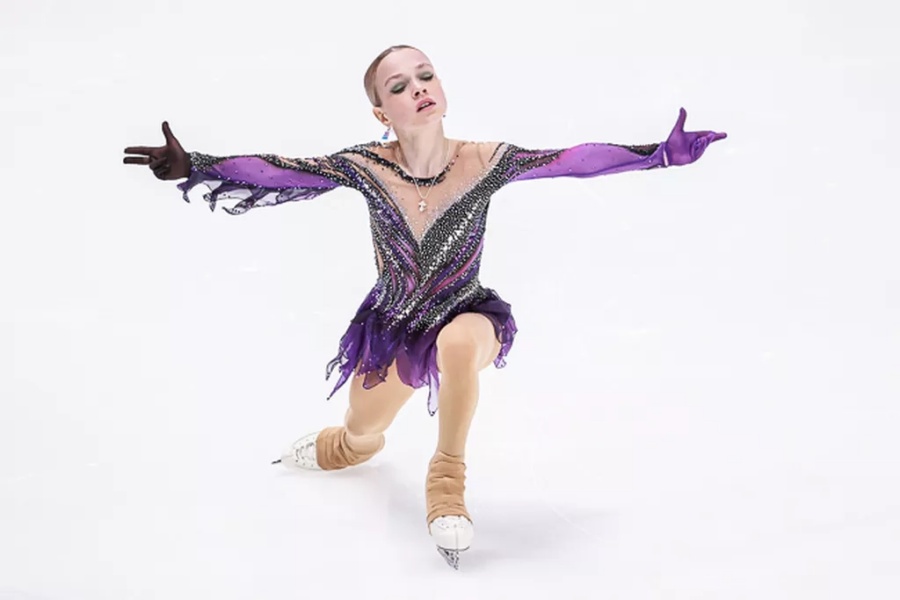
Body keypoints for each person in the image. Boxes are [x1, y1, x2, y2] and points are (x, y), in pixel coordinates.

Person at [123, 44, 726, 569]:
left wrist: (658, 154)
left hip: (469, 313)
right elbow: (280, 170)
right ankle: (347, 447)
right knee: (363, 429)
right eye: (399, 86)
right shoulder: (366, 167)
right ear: (381, 113)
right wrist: (195, 165)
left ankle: (447, 482)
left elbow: (570, 160)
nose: (418, 88)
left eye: (426, 76)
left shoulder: (487, 161)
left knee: (457, 344)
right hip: (393, 327)